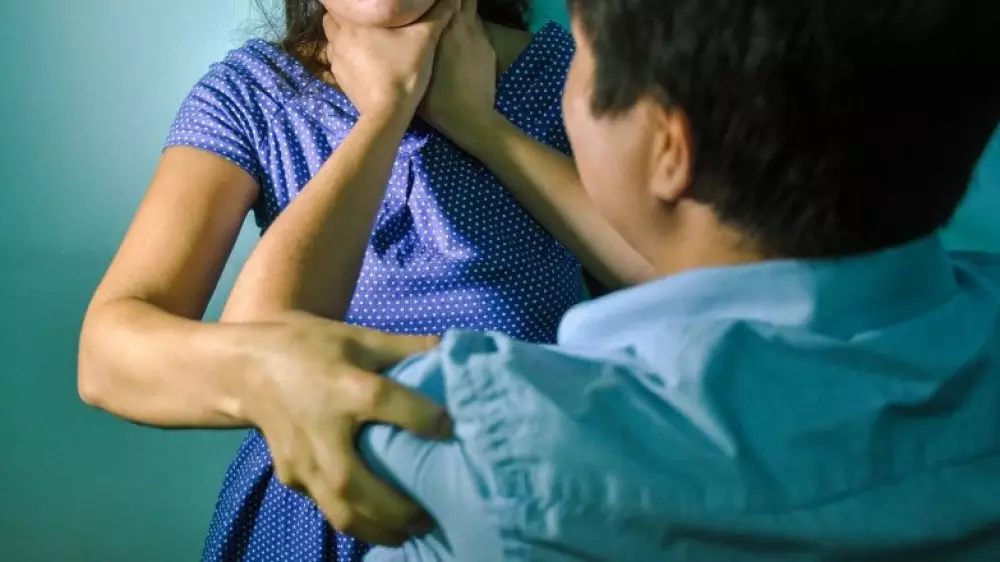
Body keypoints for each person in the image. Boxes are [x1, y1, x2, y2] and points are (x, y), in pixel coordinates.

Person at [290, 0, 998, 559]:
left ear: (668, 148)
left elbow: (279, 350)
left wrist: (401, 110)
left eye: (582, 52)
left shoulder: (492, 442)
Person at [77, 0, 649, 561]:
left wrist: (478, 124)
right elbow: (105, 358)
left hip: (530, 511)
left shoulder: (572, 76)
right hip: (312, 519)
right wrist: (387, 111)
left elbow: (680, 278)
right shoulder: (252, 93)